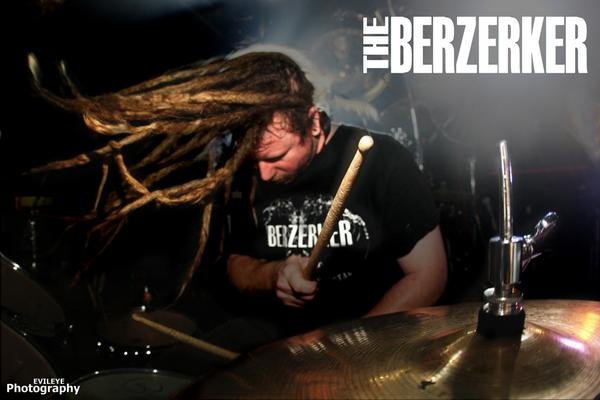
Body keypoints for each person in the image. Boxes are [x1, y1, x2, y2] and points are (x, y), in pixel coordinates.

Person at [221, 60, 447, 339]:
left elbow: (429, 275)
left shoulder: (383, 159)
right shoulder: (247, 172)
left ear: (314, 123)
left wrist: (352, 345)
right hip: (284, 343)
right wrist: (274, 274)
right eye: (255, 160)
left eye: (277, 157)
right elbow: (236, 263)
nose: (264, 174)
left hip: (375, 340)